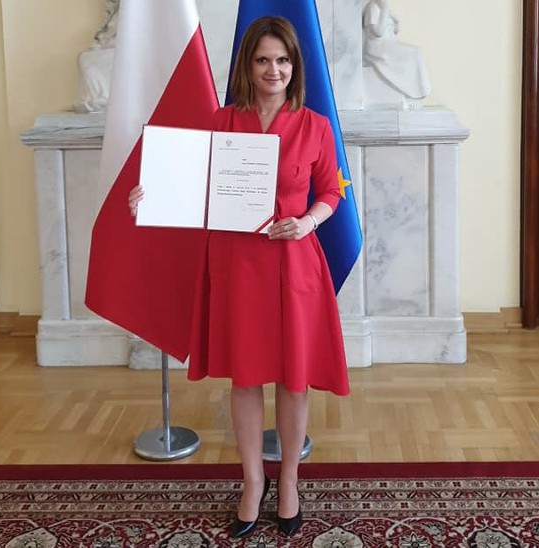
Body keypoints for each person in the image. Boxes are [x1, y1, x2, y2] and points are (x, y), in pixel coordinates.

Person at [128, 16, 349, 539]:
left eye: (283, 60)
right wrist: (150, 196)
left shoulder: (316, 125)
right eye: (262, 60)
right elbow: (188, 187)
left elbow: (333, 192)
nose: (273, 70)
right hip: (237, 265)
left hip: (295, 263)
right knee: (245, 376)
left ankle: (290, 479)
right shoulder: (219, 123)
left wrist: (308, 221)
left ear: (295, 67)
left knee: (294, 378)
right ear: (247, 68)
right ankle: (253, 481)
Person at [362, 0, 431, 109]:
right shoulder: (373, 7)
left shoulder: (385, 8)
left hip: (387, 44)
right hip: (376, 47)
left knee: (416, 52)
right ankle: (414, 93)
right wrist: (384, 8)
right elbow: (378, 32)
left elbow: (394, 30)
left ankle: (415, 93)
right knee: (414, 53)